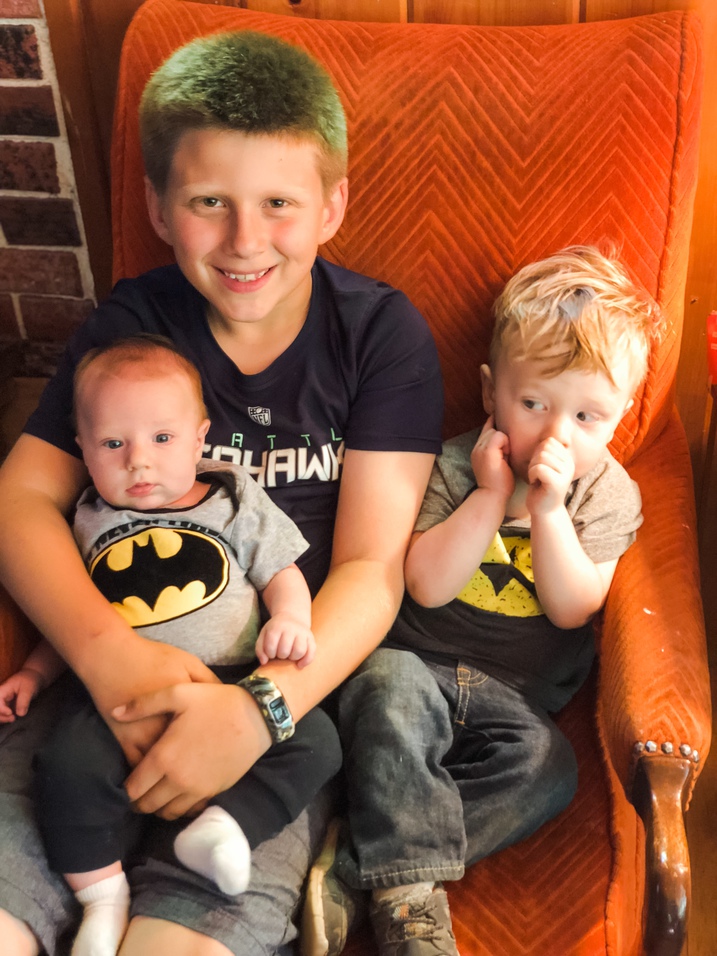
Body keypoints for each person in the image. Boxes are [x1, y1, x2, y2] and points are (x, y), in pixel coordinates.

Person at [0, 29, 443, 956]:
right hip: (96, 692)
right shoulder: (132, 325)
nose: (246, 241)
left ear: (331, 206)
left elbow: (370, 567)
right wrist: (110, 662)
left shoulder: (378, 335)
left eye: (278, 203)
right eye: (209, 202)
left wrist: (260, 711)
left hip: (271, 713)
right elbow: (19, 502)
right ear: (161, 209)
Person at [303, 246, 660, 956]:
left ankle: (357, 868)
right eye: (533, 404)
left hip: (516, 699)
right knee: (386, 685)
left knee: (549, 770)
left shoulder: (607, 495)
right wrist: (492, 497)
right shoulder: (450, 464)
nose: (556, 434)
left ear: (621, 415)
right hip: (412, 668)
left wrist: (550, 513)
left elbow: (572, 609)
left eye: (588, 416)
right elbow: (426, 584)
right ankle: (408, 903)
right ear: (491, 391)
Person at [0, 335, 344, 956]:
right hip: (116, 701)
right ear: (81, 447)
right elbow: (71, 621)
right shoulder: (84, 520)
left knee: (318, 739)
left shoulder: (234, 497)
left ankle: (225, 827)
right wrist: (34, 672)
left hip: (231, 679)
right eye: (113, 444)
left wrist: (291, 620)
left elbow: (279, 571)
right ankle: (101, 897)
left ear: (199, 438)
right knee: (65, 766)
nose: (139, 462)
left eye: (162, 440)